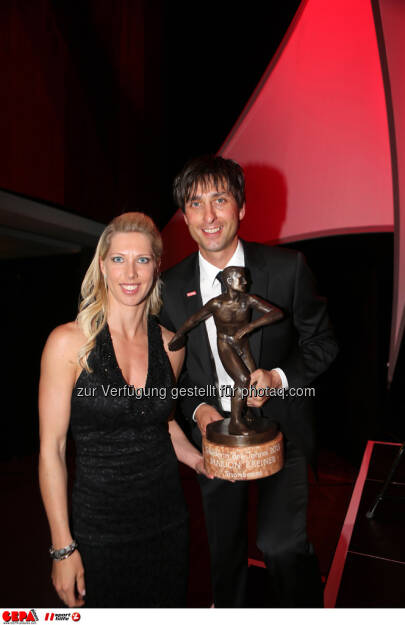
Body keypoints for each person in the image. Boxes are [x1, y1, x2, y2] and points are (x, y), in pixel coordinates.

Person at [159, 155, 339, 607]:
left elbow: (323, 343)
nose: (209, 216)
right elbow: (172, 373)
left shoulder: (286, 268)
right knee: (223, 556)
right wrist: (197, 410)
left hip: (282, 429)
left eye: (220, 200)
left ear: (241, 207)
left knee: (282, 546)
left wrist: (277, 378)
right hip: (214, 436)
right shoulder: (169, 286)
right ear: (184, 217)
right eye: (196, 204)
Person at [38, 212, 211, 608]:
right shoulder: (68, 343)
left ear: (156, 266)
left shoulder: (172, 344)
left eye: (142, 259)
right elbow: (53, 451)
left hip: (167, 522)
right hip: (99, 528)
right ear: (102, 266)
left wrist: (200, 461)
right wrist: (63, 547)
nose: (130, 272)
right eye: (118, 259)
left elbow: (161, 421)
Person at [168, 266, 283, 434]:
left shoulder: (248, 300)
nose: (246, 282)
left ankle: (246, 410)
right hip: (226, 345)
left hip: (242, 344)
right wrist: (178, 335)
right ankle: (236, 422)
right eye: (241, 279)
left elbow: (276, 313)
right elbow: (194, 319)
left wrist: (250, 326)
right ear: (229, 281)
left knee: (253, 379)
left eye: (245, 278)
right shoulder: (217, 303)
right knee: (243, 379)